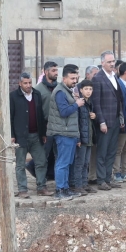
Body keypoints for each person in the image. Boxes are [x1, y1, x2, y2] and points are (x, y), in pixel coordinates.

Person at [46, 64, 84, 200]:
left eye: (76, 78)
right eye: (72, 78)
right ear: (64, 78)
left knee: (67, 162)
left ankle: (66, 188)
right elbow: (64, 112)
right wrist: (77, 104)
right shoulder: (60, 92)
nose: (75, 81)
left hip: (70, 133)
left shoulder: (68, 91)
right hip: (63, 133)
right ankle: (60, 190)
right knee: (62, 163)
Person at [11, 72, 49, 198]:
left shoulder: (36, 94)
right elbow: (10, 117)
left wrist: (43, 133)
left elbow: (40, 115)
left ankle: (41, 187)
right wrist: (12, 135)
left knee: (41, 161)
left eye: (30, 83)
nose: (28, 86)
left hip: (36, 135)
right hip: (20, 136)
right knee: (20, 164)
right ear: (20, 84)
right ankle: (22, 189)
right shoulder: (13, 97)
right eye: (25, 83)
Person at [92, 50, 125, 191]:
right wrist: (101, 122)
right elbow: (96, 103)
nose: (112, 64)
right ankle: (101, 180)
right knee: (102, 152)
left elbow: (118, 99)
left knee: (112, 151)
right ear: (102, 63)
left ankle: (107, 178)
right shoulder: (98, 78)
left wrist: (121, 117)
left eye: (113, 61)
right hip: (105, 122)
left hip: (116, 120)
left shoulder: (114, 77)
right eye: (109, 62)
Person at [72, 79, 96, 195]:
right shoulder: (80, 104)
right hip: (82, 138)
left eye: (90, 89)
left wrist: (94, 116)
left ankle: (84, 184)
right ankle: (78, 186)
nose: (88, 91)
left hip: (89, 138)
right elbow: (77, 122)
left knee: (86, 163)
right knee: (79, 163)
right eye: (86, 89)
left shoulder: (90, 103)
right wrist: (78, 138)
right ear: (81, 90)